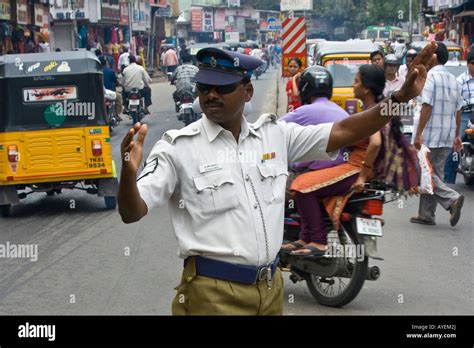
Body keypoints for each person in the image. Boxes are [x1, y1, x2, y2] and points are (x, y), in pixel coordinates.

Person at [118, 43, 437, 315]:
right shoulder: (178, 146)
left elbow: (345, 131)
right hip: (211, 295)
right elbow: (132, 211)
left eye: (223, 88)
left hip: (271, 289)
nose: (211, 95)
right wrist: (128, 176)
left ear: (247, 91)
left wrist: (400, 99)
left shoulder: (274, 134)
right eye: (205, 88)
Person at [281, 64, 383, 255]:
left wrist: (363, 175)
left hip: (353, 167)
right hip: (347, 164)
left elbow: (375, 143)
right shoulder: (345, 111)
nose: (353, 86)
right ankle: (304, 236)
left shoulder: (372, 110)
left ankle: (318, 241)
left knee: (298, 185)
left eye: (356, 81)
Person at [412, 42, 464, 227]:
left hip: (430, 135)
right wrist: (457, 135)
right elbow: (459, 110)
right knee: (435, 173)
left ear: (433, 57)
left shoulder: (431, 77)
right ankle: (426, 215)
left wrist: (418, 134)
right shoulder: (453, 79)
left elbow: (427, 105)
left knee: (424, 172)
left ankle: (452, 199)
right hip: (447, 134)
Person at [444, 51, 474, 183]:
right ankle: (448, 179)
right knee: (456, 142)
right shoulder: (460, 81)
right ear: (468, 64)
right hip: (464, 114)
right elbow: (455, 103)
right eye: (473, 63)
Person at [100, 56, 123, 122]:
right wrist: (119, 84)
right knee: (119, 97)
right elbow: (116, 81)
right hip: (109, 93)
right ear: (106, 62)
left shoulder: (96, 71)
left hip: (99, 93)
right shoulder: (111, 71)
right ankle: (116, 114)